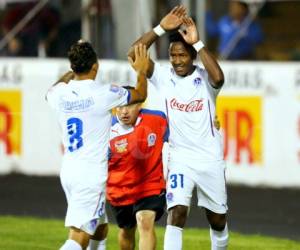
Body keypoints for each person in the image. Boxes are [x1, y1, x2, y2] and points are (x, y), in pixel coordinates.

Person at [128, 5, 228, 250]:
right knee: (176, 213)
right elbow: (133, 55)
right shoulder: (163, 77)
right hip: (179, 158)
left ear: (192, 56)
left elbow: (219, 79)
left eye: (183, 55)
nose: (177, 60)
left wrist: (198, 43)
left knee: (217, 220)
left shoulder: (205, 79)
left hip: (209, 159)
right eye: (173, 55)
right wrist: (161, 28)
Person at [46, 40, 150, 250]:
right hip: (90, 174)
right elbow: (140, 94)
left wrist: (72, 71)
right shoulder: (105, 93)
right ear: (96, 66)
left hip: (69, 171)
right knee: (79, 236)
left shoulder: (59, 93)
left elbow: (51, 89)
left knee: (100, 227)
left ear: (73, 67)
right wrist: (141, 71)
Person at [106, 87, 168, 250]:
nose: (124, 111)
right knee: (127, 230)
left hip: (149, 185)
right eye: (120, 106)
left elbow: (181, 136)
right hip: (120, 189)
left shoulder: (157, 119)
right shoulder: (105, 129)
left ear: (140, 105)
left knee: (145, 221)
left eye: (130, 105)